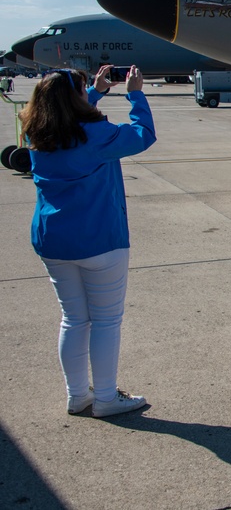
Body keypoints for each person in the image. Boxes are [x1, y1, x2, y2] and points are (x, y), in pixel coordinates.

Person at [20, 64, 156, 418]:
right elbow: (142, 135)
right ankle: (107, 398)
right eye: (81, 90)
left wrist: (94, 92)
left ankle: (77, 394)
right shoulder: (95, 134)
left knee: (73, 319)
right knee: (106, 321)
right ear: (74, 98)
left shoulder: (37, 132)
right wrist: (135, 93)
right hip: (99, 240)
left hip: (53, 240)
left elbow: (65, 112)